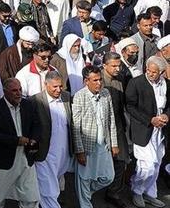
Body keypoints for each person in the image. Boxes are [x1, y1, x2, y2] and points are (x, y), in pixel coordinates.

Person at [0, 78, 40, 208]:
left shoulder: (28, 105)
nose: (18, 93)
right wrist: (16, 141)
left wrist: (33, 139)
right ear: (5, 92)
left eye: (20, 89)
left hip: (26, 157)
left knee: (31, 197)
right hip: (4, 160)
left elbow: (37, 125)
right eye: (14, 90)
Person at [126, 56, 170, 208]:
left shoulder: (166, 85)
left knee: (156, 164)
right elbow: (130, 106)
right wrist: (150, 119)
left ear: (161, 72)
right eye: (148, 71)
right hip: (143, 130)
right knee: (147, 166)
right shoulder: (136, 83)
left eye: (154, 72)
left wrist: (166, 115)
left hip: (160, 132)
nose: (150, 74)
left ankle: (150, 194)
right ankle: (137, 191)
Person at [72, 65, 119, 208]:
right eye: (95, 80)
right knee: (84, 179)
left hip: (103, 145)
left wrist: (114, 143)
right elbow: (76, 126)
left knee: (108, 177)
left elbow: (111, 119)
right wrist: (79, 151)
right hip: (87, 146)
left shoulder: (105, 93)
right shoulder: (80, 96)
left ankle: (86, 194)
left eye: (100, 80)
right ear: (87, 81)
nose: (99, 83)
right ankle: (85, 203)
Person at [32, 71, 73, 208]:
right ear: (45, 85)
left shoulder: (67, 98)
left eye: (60, 86)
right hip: (44, 154)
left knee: (51, 186)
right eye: (54, 87)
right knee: (48, 190)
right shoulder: (35, 101)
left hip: (64, 154)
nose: (58, 90)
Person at [102, 52, 131, 208]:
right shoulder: (97, 80)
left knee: (121, 160)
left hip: (118, 126)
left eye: (119, 65)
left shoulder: (120, 79)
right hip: (101, 127)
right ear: (104, 65)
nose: (117, 69)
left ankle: (114, 192)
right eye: (113, 66)